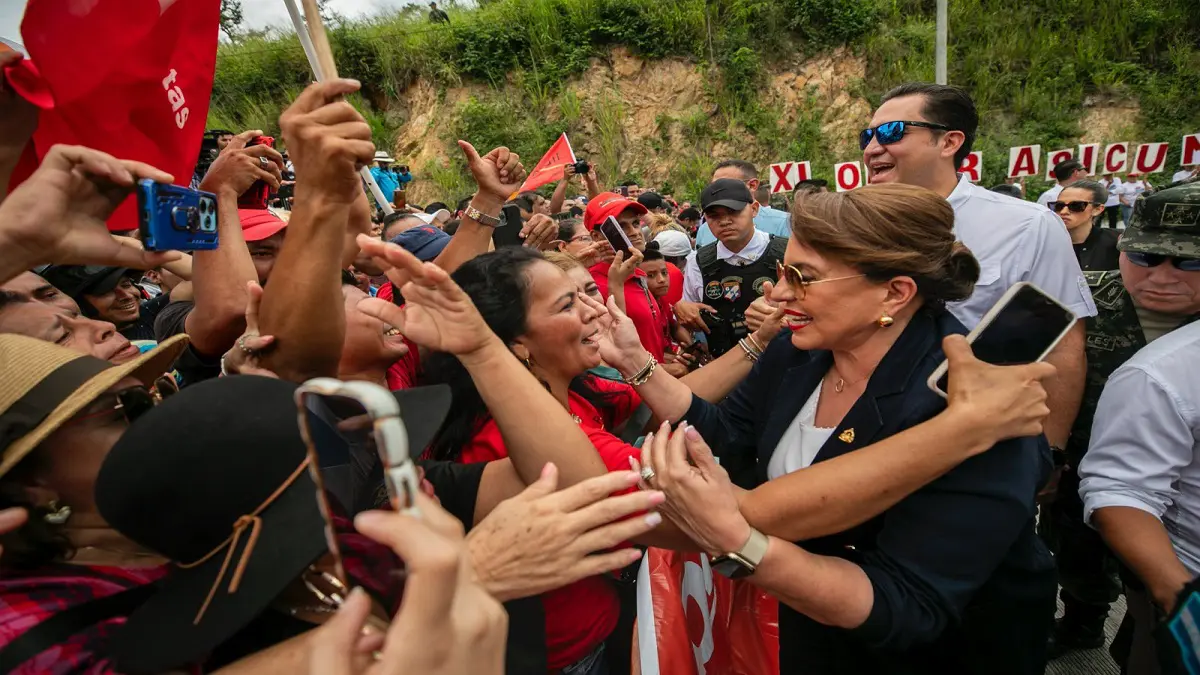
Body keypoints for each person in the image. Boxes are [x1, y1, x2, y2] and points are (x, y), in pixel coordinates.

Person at [612, 183, 1057, 673]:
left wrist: (741, 543)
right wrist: (637, 364)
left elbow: (908, 605)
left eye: (804, 278)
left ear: (894, 292)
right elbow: (730, 433)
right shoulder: (799, 350)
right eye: (784, 271)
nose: (778, 294)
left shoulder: (973, 400)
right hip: (808, 631)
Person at [858, 81, 1094, 496]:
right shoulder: (856, 224)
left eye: (892, 132)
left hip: (983, 441)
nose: (873, 147)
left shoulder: (1025, 226)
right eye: (868, 135)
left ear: (949, 141)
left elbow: (1063, 342)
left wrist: (1049, 451)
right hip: (869, 430)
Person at [0, 334, 187, 674]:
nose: (168, 416)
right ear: (31, 483)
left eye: (157, 395)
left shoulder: (194, 515)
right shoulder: (38, 630)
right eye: (129, 408)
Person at [1071, 182, 1200, 671]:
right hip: (1085, 471)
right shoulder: (1080, 299)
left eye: (1188, 262)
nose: (1162, 276)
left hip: (1180, 522)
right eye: (1145, 256)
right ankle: (1083, 626)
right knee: (1081, 563)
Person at [676, 178, 788, 357]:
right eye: (714, 215)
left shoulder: (787, 252)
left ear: (754, 209)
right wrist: (681, 309)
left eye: (733, 211)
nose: (725, 221)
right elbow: (688, 314)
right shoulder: (697, 262)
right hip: (726, 371)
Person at [584, 191, 669, 359]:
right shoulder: (591, 286)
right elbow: (611, 351)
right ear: (596, 236)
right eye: (621, 227)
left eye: (636, 223)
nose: (634, 232)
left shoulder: (638, 271)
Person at [36, 266, 166, 342]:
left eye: (126, 285)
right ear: (77, 303)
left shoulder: (156, 314)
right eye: (105, 292)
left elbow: (187, 279)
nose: (126, 296)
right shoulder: (79, 352)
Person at [695, 160, 791, 246]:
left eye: (728, 184)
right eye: (715, 186)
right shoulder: (704, 230)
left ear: (752, 185)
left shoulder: (784, 223)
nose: (724, 222)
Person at [1052, 179, 1120, 272]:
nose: (1064, 212)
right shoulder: (1043, 244)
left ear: (1097, 209)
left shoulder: (1119, 243)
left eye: (1076, 206)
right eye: (1059, 206)